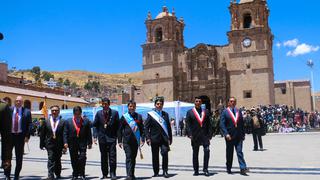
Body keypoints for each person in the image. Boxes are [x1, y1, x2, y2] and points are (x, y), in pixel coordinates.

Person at [4, 96, 32, 180]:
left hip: (20, 137)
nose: (18, 102)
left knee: (19, 158)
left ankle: (16, 175)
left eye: (20, 101)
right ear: (14, 102)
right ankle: (7, 175)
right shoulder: (9, 110)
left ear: (22, 102)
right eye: (17, 101)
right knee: (7, 157)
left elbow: (30, 125)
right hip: (9, 136)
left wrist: (27, 136)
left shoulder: (27, 112)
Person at [220, 97, 248, 176]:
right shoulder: (225, 112)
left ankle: (243, 168)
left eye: (234, 101)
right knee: (229, 153)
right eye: (231, 101)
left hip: (238, 136)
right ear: (228, 102)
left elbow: (241, 124)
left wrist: (243, 134)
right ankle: (228, 167)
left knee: (239, 152)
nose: (233, 102)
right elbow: (222, 124)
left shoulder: (238, 111)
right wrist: (226, 134)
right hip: (229, 136)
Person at [144, 97, 172, 178]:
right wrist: (148, 138)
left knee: (165, 153)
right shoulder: (151, 115)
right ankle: (156, 172)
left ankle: (165, 171)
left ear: (163, 105)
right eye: (157, 104)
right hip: (154, 138)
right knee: (155, 156)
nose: (159, 105)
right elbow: (146, 127)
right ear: (155, 105)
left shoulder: (165, 114)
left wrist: (170, 138)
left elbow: (168, 127)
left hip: (164, 139)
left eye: (161, 104)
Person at [93, 97, 119, 180]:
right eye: (103, 104)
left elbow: (117, 127)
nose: (104, 106)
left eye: (106, 104)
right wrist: (95, 136)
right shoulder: (98, 113)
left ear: (109, 104)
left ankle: (113, 173)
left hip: (111, 139)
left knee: (112, 157)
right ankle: (104, 174)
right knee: (103, 157)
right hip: (102, 139)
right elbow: (95, 125)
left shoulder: (114, 113)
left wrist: (118, 138)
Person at [185, 97, 213, 176]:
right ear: (194, 102)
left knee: (207, 151)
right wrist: (189, 134)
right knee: (195, 153)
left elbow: (209, 124)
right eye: (196, 101)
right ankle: (196, 170)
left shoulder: (206, 111)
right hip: (195, 136)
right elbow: (188, 124)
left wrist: (210, 134)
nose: (198, 102)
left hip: (205, 135)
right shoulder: (190, 112)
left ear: (201, 103)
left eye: (199, 101)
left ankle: (205, 169)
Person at [118, 100, 145, 180]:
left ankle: (132, 174)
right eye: (130, 106)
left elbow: (142, 129)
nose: (132, 108)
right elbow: (119, 129)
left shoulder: (139, 116)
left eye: (133, 106)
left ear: (135, 107)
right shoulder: (124, 117)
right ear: (128, 107)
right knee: (129, 157)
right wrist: (119, 141)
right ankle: (129, 175)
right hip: (127, 141)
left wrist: (142, 139)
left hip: (135, 141)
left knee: (133, 157)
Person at [64, 106, 92, 180]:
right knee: (74, 159)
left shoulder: (86, 121)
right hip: (72, 143)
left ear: (81, 113)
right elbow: (65, 133)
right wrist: (65, 142)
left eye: (78, 113)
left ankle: (82, 173)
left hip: (82, 143)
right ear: (73, 113)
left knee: (82, 158)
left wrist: (90, 143)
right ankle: (75, 174)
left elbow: (89, 133)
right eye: (75, 113)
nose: (77, 115)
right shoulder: (68, 121)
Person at [40, 105, 66, 179]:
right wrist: (41, 144)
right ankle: (50, 175)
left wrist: (65, 144)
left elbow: (64, 134)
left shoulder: (63, 121)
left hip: (59, 144)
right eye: (52, 110)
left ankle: (58, 173)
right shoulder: (46, 121)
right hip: (49, 144)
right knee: (51, 158)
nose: (54, 112)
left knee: (58, 159)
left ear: (59, 111)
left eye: (56, 110)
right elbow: (43, 133)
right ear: (51, 112)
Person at [0, 99, 12, 180]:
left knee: (6, 153)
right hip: (6, 134)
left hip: (5, 134)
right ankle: (7, 173)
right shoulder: (4, 106)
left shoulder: (4, 106)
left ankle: (7, 173)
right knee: (6, 153)